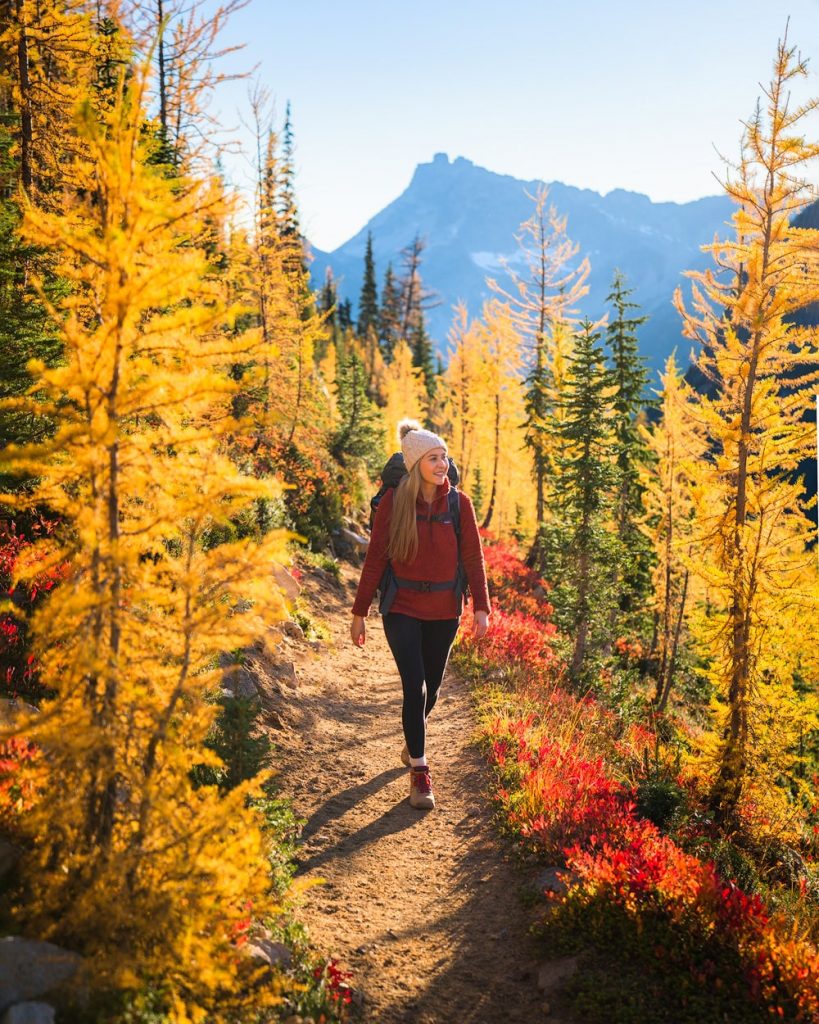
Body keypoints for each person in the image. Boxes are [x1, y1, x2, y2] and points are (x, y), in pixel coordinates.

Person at [350, 419, 490, 810]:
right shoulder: (395, 503)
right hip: (403, 608)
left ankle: (413, 742)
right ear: (415, 464)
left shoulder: (459, 504)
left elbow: (473, 558)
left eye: (444, 456)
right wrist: (359, 612)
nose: (442, 463)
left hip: (445, 610)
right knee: (416, 687)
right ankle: (421, 772)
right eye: (433, 458)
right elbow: (376, 557)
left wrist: (481, 606)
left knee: (433, 687)